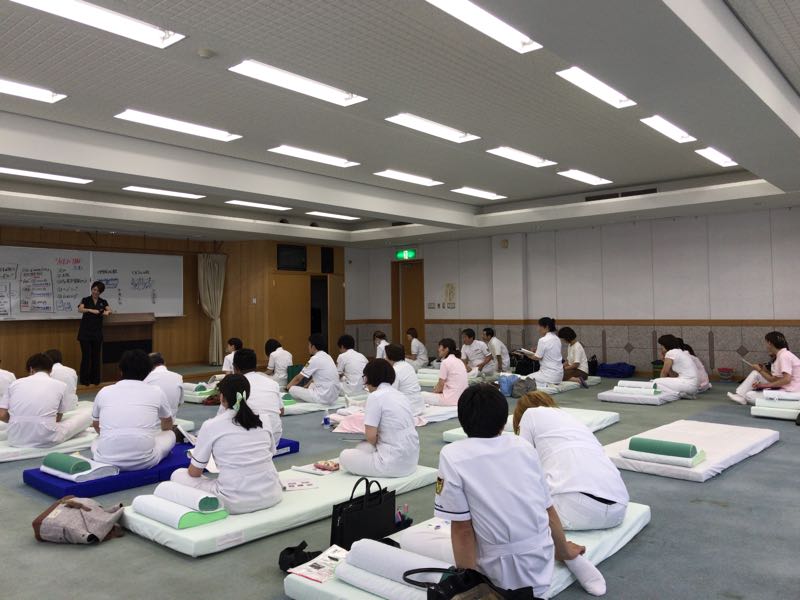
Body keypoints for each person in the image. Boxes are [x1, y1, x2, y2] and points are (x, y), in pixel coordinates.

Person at [432, 384, 605, 597]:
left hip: (499, 574)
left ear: (462, 420)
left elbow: (462, 530)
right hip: (540, 564)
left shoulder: (452, 455)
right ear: (503, 421)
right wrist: (563, 550)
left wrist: (469, 587)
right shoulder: (523, 446)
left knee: (420, 540)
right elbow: (548, 509)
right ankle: (568, 559)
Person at [513, 392, 629, 530]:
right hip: (618, 510)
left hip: (574, 511)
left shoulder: (529, 414)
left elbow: (522, 463)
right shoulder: (571, 419)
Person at [171, 374, 282, 514]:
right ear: (247, 395)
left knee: (178, 475)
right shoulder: (264, 419)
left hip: (234, 502)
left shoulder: (211, 425)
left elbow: (194, 473)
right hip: (273, 494)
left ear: (222, 398)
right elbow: (270, 454)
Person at [91, 350, 176, 471]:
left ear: (120, 370)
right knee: (170, 434)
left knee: (97, 439)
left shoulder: (104, 391)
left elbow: (96, 425)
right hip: (145, 461)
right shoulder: (156, 391)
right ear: (148, 372)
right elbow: (167, 423)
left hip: (105, 460)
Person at [339, 359, 419, 478]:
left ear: (369, 378)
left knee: (344, 456)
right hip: (411, 462)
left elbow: (371, 436)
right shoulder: (400, 395)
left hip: (391, 464)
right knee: (363, 447)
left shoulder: (375, 397)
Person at [0, 353, 92, 448]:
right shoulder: (61, 385)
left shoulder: (14, 384)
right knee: (87, 415)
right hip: (47, 439)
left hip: (15, 439)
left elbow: (2, 415)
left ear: (31, 369)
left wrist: (21, 422)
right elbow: (58, 419)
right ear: (51, 370)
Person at [232, 348, 283, 453]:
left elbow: (223, 417)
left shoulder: (235, 385)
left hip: (247, 442)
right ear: (255, 365)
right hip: (274, 439)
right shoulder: (272, 383)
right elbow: (281, 411)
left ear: (235, 368)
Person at [728, 331, 800, 405]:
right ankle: (740, 396)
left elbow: (786, 380)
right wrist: (762, 370)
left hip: (792, 391)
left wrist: (764, 385)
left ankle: (787, 403)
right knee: (756, 374)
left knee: (749, 396)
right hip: (787, 388)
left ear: (769, 343)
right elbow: (774, 379)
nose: (766, 346)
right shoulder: (782, 355)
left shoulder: (784, 356)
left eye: (766, 343)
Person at [287, 334, 340, 405]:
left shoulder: (314, 359)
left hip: (323, 397)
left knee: (292, 389)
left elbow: (298, 378)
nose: (308, 347)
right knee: (311, 385)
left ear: (313, 347)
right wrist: (305, 387)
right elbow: (315, 379)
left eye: (309, 345)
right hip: (334, 397)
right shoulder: (328, 357)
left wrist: (287, 388)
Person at [77, 280, 112, 386]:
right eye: (94, 289)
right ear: (91, 289)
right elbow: (80, 309)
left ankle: (95, 380)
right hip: (85, 333)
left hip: (97, 333)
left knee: (96, 357)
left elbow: (109, 311)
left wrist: (103, 312)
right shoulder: (85, 299)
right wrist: (91, 310)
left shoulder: (103, 301)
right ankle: (85, 380)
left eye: (97, 290)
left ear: (101, 292)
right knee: (86, 357)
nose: (95, 292)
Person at [420, 339, 469, 406]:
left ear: (446, 349)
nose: (438, 350)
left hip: (450, 400)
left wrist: (434, 392)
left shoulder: (446, 362)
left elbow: (440, 385)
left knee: (421, 395)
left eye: (440, 347)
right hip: (462, 399)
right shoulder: (459, 361)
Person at [521, 317, 564, 387]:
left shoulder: (543, 340)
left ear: (546, 327)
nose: (538, 329)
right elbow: (549, 352)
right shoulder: (557, 339)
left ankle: (546, 385)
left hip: (548, 375)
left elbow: (537, 357)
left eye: (539, 326)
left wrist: (525, 353)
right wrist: (537, 350)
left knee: (524, 379)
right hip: (559, 375)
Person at [385, 343, 425, 415]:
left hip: (408, 408)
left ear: (390, 356)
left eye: (386, 356)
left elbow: (391, 393)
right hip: (418, 406)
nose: (385, 358)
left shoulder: (395, 370)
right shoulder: (408, 366)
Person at [144, 352, 184, 418]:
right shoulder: (178, 377)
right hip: (171, 421)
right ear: (164, 363)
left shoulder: (146, 379)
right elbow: (180, 403)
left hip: (150, 421)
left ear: (148, 365)